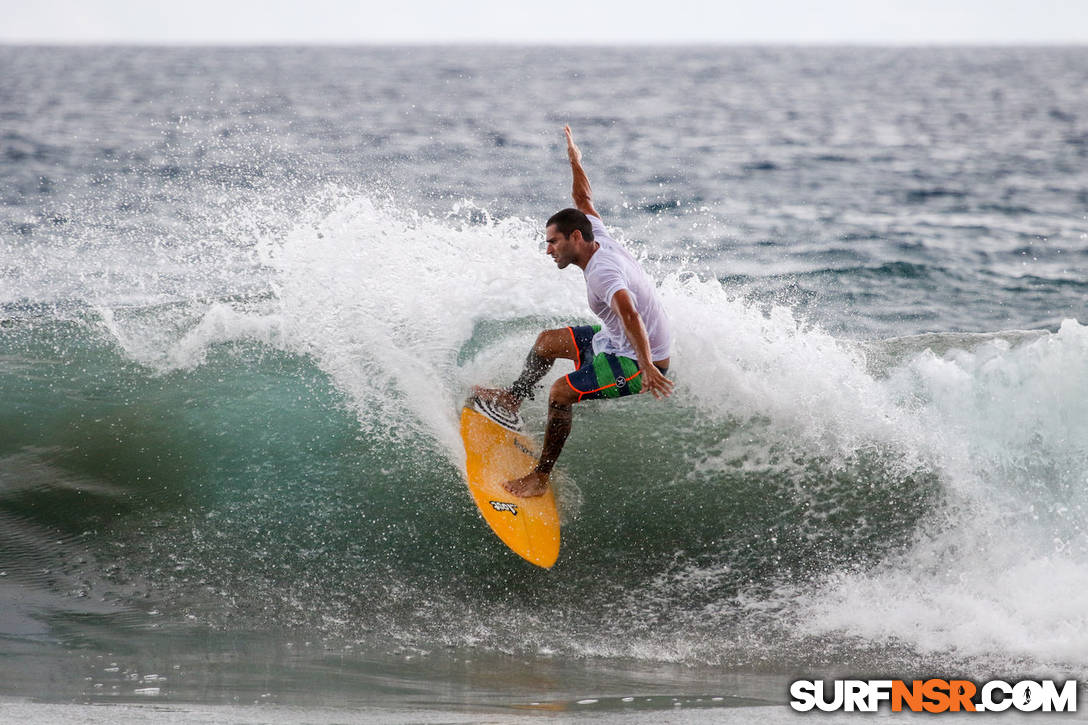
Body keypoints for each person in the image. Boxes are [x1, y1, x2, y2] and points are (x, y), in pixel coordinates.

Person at [474, 125, 674, 497]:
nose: (549, 249)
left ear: (575, 239)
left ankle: (539, 478)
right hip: (617, 341)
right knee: (547, 343)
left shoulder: (603, 272)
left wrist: (647, 367)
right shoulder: (594, 232)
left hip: (638, 359)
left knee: (560, 393)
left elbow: (630, 314)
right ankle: (513, 397)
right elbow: (583, 197)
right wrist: (574, 160)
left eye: (553, 242)